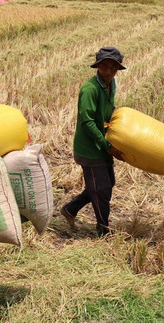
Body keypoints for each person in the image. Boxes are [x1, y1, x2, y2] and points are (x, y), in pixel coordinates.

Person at [60, 46, 126, 235]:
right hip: (90, 147)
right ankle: (103, 230)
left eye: (113, 67)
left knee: (106, 184)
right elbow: (87, 122)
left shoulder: (110, 85)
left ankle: (70, 209)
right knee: (102, 190)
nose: (108, 71)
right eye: (104, 66)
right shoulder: (90, 89)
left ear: (117, 69)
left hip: (103, 144)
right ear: (97, 66)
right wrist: (106, 145)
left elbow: (107, 112)